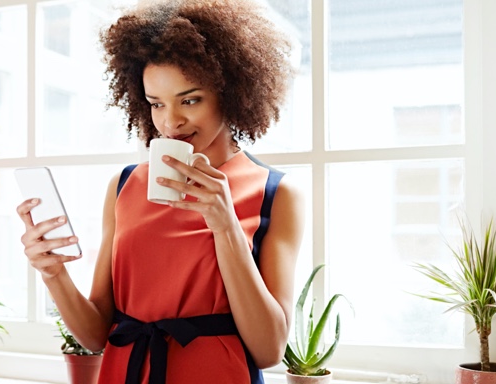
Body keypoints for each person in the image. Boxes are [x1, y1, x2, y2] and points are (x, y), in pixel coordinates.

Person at [16, 0, 305, 382]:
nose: (171, 121)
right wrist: (52, 272)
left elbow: (269, 351)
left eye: (190, 99)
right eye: (156, 104)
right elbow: (93, 335)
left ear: (231, 92)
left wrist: (225, 226)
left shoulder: (276, 193)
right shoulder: (124, 185)